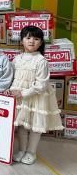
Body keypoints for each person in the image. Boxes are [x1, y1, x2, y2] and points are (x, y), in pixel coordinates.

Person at [8, 26, 63, 165]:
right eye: (28, 38)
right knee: (22, 124)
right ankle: (22, 150)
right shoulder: (17, 59)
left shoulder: (41, 61)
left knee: (35, 125)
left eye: (36, 38)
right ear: (22, 40)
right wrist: (11, 90)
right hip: (20, 97)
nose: (31, 41)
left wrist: (23, 93)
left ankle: (31, 152)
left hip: (36, 97)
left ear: (41, 42)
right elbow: (12, 77)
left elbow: (41, 85)